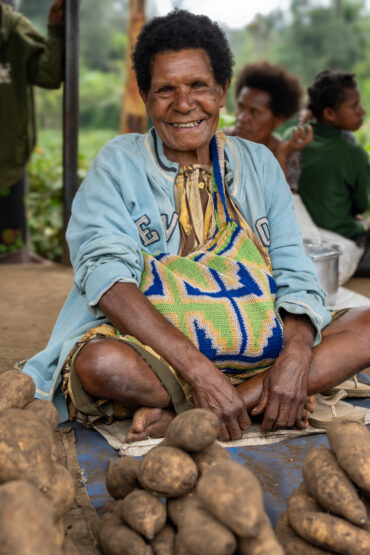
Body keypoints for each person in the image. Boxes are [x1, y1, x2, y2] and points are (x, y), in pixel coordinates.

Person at [24, 10, 370, 443]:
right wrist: (198, 370)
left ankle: (202, 410)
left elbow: (294, 270)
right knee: (101, 364)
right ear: (147, 97)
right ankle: (242, 396)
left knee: (366, 324)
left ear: (222, 91)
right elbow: (105, 275)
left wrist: (297, 357)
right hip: (161, 351)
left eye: (198, 86)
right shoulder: (119, 162)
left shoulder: (258, 163)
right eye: (165, 89)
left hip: (259, 336)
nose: (184, 104)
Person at [0, 0, 64, 263]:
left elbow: (49, 74)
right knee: (12, 253)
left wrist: (56, 29)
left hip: (6, 158)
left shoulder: (13, 29)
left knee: (11, 252)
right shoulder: (13, 26)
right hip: (9, 154)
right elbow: (49, 74)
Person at [298, 70, 370, 276]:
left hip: (305, 235)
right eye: (354, 106)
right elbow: (361, 204)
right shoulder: (353, 153)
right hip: (344, 239)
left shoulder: (294, 137)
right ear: (329, 113)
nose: (362, 111)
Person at [224, 62, 312, 190]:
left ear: (279, 119)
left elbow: (284, 204)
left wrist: (281, 156)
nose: (242, 118)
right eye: (241, 107)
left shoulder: (288, 155)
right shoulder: (217, 143)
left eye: (254, 112)